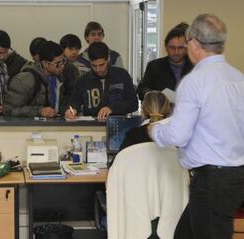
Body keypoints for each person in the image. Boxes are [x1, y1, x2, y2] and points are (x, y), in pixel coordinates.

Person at [148, 14, 244, 239]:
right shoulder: (238, 79)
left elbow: (178, 135)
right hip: (234, 176)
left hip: (212, 180)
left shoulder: (194, 81)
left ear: (194, 43)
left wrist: (156, 130)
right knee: (184, 234)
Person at [65, 42, 138, 121]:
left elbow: (133, 103)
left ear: (108, 59)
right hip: (92, 126)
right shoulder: (82, 80)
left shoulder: (122, 75)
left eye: (101, 65)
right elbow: (74, 101)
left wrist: (112, 108)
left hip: (118, 124)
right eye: (94, 65)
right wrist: (71, 110)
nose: (98, 69)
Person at [3, 41, 71, 117]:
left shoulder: (59, 77)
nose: (62, 66)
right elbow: (8, 110)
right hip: (29, 127)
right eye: (57, 64)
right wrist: (39, 111)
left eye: (64, 61)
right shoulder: (25, 80)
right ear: (45, 63)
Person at [137, 23, 193, 101]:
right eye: (172, 48)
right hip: (161, 111)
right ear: (166, 48)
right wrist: (155, 95)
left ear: (186, 48)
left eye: (180, 48)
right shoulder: (154, 66)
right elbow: (141, 91)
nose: (176, 52)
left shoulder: (195, 67)